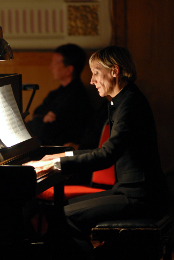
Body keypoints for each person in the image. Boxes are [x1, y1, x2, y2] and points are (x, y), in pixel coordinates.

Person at [25, 46, 169, 260]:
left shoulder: (129, 104)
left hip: (139, 195)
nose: (91, 81)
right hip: (129, 190)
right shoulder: (123, 101)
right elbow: (105, 150)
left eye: (95, 73)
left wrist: (54, 165)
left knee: (64, 217)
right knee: (65, 209)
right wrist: (61, 157)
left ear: (114, 71)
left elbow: (107, 155)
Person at [27, 43, 93, 146]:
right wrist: (42, 119)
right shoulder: (57, 93)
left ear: (69, 70)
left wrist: (40, 120)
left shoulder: (76, 97)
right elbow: (36, 113)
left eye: (55, 63)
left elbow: (48, 131)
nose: (50, 67)